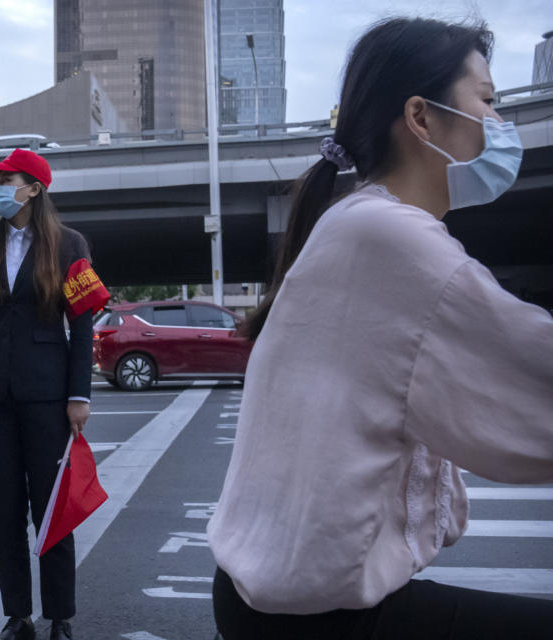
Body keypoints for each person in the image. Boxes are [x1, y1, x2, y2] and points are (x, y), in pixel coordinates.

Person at [207, 17, 553, 639]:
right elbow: (532, 378)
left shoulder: (356, 223)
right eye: (489, 101)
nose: (501, 124)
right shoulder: (393, 238)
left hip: (271, 596)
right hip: (321, 616)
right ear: (421, 117)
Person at [0, 149, 94, 640]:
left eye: (6, 180)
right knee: (4, 512)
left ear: (33, 188)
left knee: (50, 512)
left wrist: (79, 395)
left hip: (48, 396)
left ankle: (61, 617)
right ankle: (18, 616)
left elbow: (84, 325)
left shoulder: (71, 244)